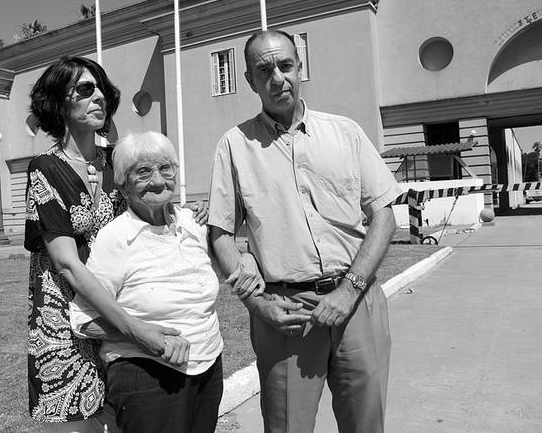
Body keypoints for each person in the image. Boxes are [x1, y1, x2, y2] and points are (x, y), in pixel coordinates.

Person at [207, 30, 402, 433]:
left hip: (358, 302)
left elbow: (384, 215)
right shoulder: (234, 146)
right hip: (286, 315)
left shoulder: (345, 133)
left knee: (367, 425)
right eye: (264, 70)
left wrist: (349, 290)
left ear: (300, 67)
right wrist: (258, 305)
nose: (278, 78)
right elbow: (220, 234)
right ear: (249, 81)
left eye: (286, 65)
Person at [24, 57, 206, 432]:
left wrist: (187, 213)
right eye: (85, 90)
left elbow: (149, 206)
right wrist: (133, 328)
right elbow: (68, 264)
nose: (99, 97)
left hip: (118, 316)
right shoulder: (45, 167)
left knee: (131, 418)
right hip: (66, 321)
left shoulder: (116, 161)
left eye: (101, 89)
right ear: (59, 103)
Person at [70, 131, 225, 433]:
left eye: (165, 168)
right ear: (124, 185)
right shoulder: (115, 238)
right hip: (147, 375)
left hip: (208, 365)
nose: (157, 180)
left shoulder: (192, 224)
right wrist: (143, 337)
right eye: (143, 172)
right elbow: (82, 319)